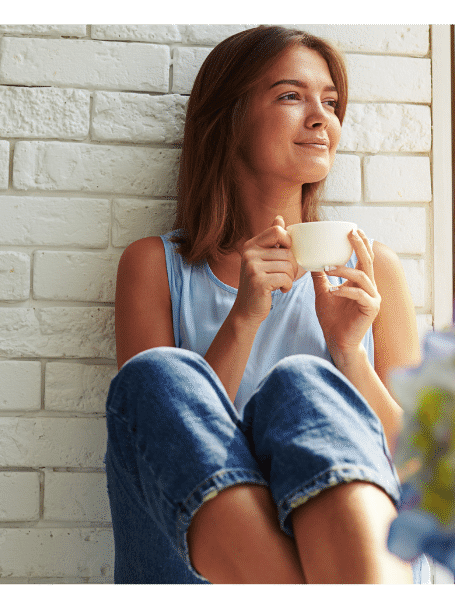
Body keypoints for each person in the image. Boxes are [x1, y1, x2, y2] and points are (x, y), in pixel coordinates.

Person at [104, 25, 422, 584]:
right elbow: (164, 452)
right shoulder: (155, 266)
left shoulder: (373, 273)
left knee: (305, 383)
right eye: (290, 96)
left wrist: (350, 355)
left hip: (353, 549)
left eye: (330, 100)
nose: (321, 117)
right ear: (230, 119)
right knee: (156, 376)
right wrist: (245, 317)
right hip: (199, 566)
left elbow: (423, 472)